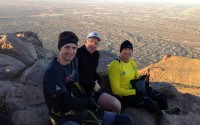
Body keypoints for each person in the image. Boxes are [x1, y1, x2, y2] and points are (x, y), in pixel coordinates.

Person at [43, 31, 132, 125]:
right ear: (60, 48)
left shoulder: (74, 61)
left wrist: (91, 96)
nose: (71, 51)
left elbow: (77, 84)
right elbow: (65, 101)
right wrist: (89, 101)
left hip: (80, 105)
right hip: (63, 114)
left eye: (74, 48)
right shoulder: (52, 72)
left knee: (126, 120)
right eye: (67, 47)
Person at [108, 40, 181, 118]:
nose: (127, 52)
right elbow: (115, 90)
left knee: (161, 96)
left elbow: (136, 78)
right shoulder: (115, 65)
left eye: (130, 50)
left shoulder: (132, 63)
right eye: (125, 49)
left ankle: (166, 110)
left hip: (136, 90)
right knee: (147, 101)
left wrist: (143, 80)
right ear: (120, 51)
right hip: (125, 96)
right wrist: (135, 91)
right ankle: (162, 114)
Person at [76, 31, 121, 113]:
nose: (93, 45)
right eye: (91, 42)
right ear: (85, 42)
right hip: (79, 91)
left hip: (92, 88)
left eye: (96, 43)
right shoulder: (77, 54)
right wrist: (93, 84)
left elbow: (92, 71)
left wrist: (98, 79)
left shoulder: (95, 55)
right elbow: (75, 76)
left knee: (116, 104)